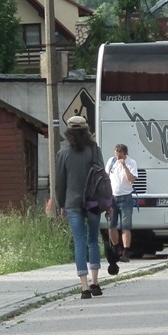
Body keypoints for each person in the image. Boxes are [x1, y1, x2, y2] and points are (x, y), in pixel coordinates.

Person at [55, 115, 106, 299]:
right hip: (93, 202)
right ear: (86, 130)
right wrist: (107, 202)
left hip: (72, 203)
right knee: (93, 240)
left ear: (68, 132)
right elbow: (102, 177)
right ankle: (95, 283)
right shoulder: (94, 150)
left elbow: (60, 183)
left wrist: (61, 205)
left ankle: (84, 287)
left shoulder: (63, 154)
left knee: (79, 242)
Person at [105, 144, 138, 262]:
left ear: (125, 154)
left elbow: (131, 180)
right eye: (116, 155)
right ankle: (116, 248)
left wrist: (124, 166)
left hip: (126, 198)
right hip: (112, 198)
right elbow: (106, 177)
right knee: (111, 226)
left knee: (125, 226)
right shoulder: (111, 161)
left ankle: (126, 252)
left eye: (120, 156)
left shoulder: (131, 163)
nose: (117, 158)